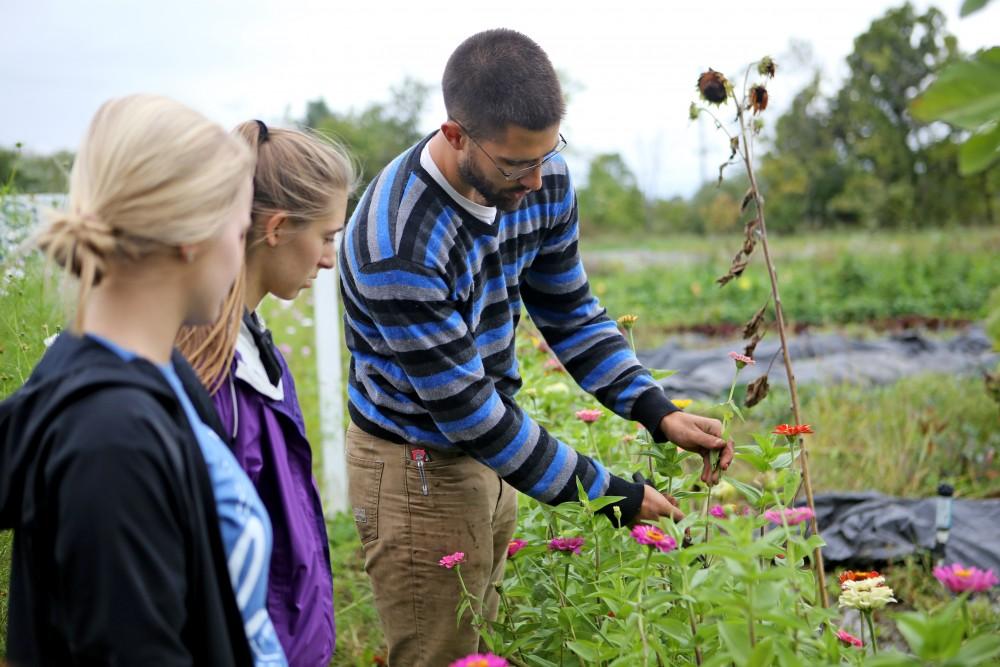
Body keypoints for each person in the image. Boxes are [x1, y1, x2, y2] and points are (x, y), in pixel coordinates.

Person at [339, 28, 735, 665]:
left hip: (496, 448)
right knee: (443, 653)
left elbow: (570, 309)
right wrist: (608, 492)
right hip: (416, 466)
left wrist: (655, 408)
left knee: (487, 645)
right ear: (455, 136)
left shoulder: (541, 177)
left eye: (548, 153)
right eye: (516, 163)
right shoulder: (398, 243)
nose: (536, 178)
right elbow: (468, 412)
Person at [0, 94, 283, 665]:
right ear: (190, 235)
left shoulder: (155, 372)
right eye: (238, 227)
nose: (239, 254)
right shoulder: (111, 436)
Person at [178, 120, 356, 667]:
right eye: (326, 237)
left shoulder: (261, 353)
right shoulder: (204, 376)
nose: (329, 259)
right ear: (276, 227)